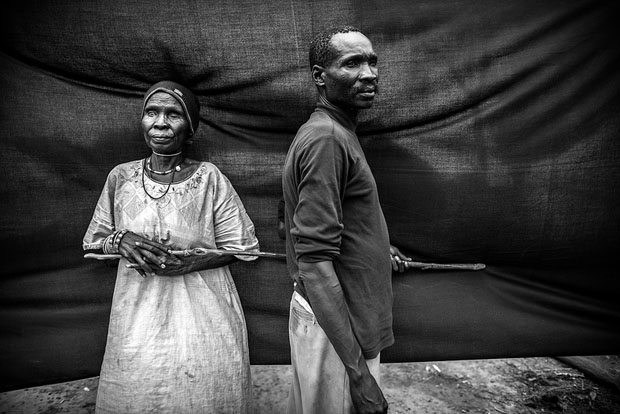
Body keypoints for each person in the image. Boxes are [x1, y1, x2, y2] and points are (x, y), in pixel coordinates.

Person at [83, 80, 259, 413]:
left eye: (173, 114)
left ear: (189, 127)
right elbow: (92, 243)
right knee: (138, 394)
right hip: (138, 317)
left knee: (202, 397)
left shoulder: (209, 178)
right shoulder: (120, 178)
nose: (160, 123)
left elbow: (243, 246)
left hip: (204, 316)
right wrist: (121, 239)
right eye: (152, 112)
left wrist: (189, 263)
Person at [282, 26, 411, 414]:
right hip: (338, 334)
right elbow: (315, 264)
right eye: (352, 63)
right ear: (320, 76)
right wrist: (358, 376)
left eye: (372, 62)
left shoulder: (336, 132)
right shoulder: (327, 140)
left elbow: (327, 224)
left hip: (339, 326)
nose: (369, 73)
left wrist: (371, 246)